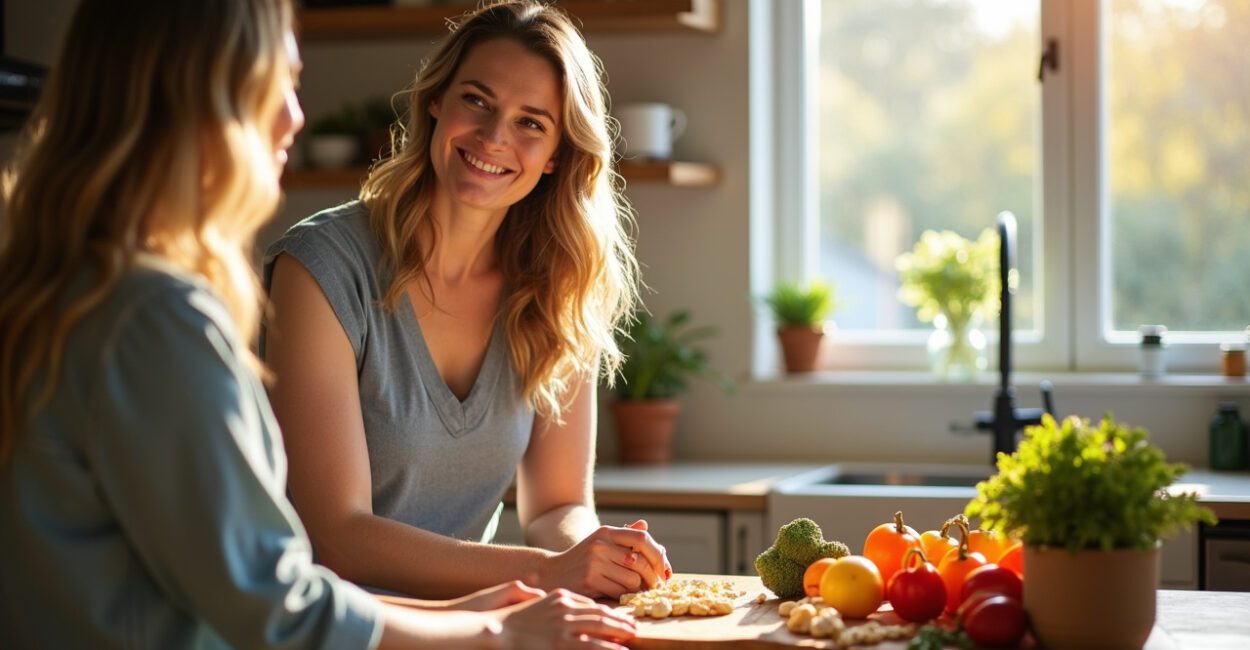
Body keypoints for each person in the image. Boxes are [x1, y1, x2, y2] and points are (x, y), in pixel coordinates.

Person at [0, 1, 635, 648]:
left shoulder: (70, 289)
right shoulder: (156, 319)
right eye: (275, 83)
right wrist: (497, 627)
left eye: (531, 122)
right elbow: (277, 597)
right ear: (188, 99)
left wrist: (529, 597)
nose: (295, 117)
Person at [263, 0, 667, 600]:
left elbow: (557, 505)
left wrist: (596, 552)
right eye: (476, 100)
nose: (494, 137)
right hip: (334, 628)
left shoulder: (558, 284)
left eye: (532, 122)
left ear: (556, 154)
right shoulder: (320, 268)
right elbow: (338, 539)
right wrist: (545, 572)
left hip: (481, 624)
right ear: (436, 102)